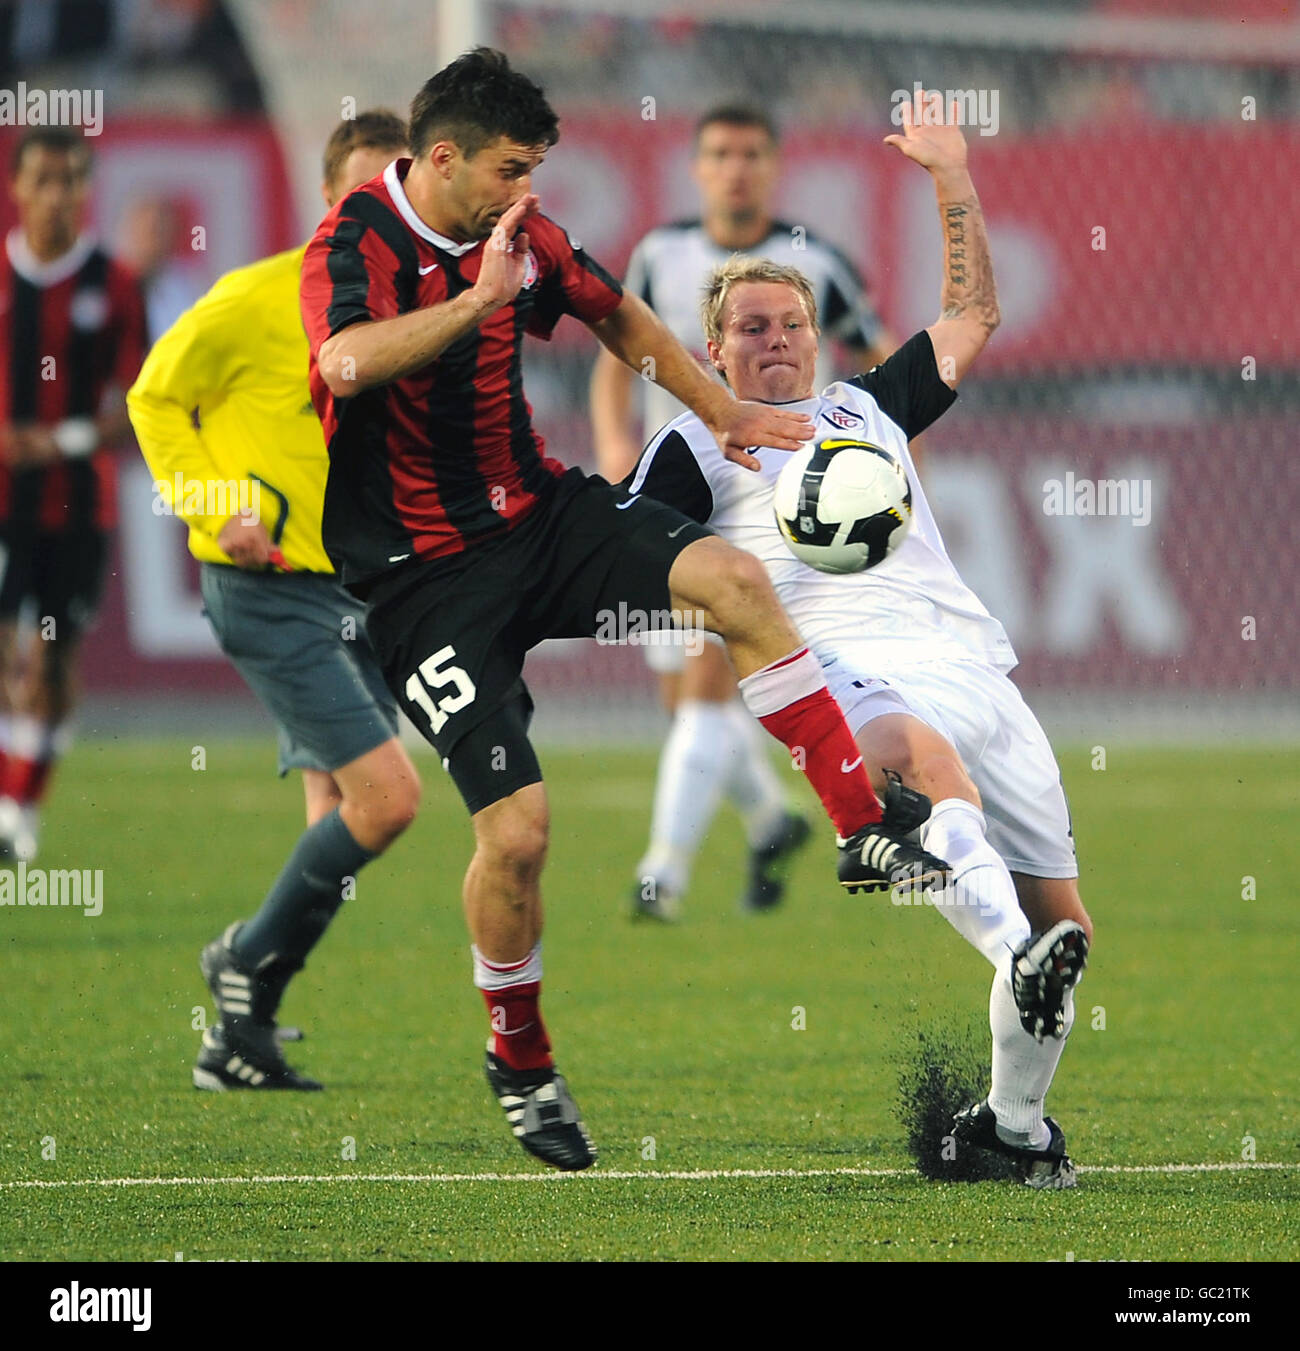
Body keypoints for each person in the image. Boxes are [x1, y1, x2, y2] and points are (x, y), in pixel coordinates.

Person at [299, 49, 951, 1171]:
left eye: (538, 171)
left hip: (539, 521)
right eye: (511, 171)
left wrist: (731, 412)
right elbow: (346, 364)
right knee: (518, 836)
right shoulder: (353, 243)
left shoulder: (528, 235)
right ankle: (520, 1056)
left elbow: (628, 327)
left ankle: (860, 828)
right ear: (441, 158)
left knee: (735, 585)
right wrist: (476, 304)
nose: (528, 195)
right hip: (419, 579)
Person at [625, 95, 1092, 1188]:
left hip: (976, 660)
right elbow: (621, 540)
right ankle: (1005, 951)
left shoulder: (869, 406)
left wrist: (950, 173)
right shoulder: (698, 447)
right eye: (751, 327)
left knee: (1067, 923)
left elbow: (972, 315)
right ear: (714, 347)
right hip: (842, 665)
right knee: (916, 768)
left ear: (816, 332)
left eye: (790, 322)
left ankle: (1011, 1131)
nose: (776, 339)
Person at [129, 110, 419, 1092]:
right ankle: (242, 959)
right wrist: (215, 501)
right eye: (365, 195)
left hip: (360, 589)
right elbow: (154, 399)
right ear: (329, 201)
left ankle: (240, 1038)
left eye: (400, 193)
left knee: (334, 816)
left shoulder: (405, 320)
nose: (385, 214)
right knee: (387, 800)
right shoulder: (252, 298)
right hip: (267, 588)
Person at [590, 105, 901, 921]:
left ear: (774, 167)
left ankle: (664, 875)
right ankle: (770, 822)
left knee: (705, 685)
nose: (736, 169)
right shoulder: (661, 254)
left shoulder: (818, 261)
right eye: (721, 153)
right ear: (697, 167)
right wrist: (614, 447)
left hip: (776, 505)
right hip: (679, 488)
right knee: (689, 699)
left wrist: (890, 470)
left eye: (752, 154)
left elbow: (882, 357)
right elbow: (617, 361)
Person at [0, 128, 148, 862]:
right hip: (1, 504)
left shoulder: (112, 284)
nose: (57, 194)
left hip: (77, 506)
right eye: (43, 180)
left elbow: (130, 411)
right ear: (17, 188)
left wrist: (54, 443)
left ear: (87, 190)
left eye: (70, 180)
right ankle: (6, 806)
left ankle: (22, 805)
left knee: (52, 661)